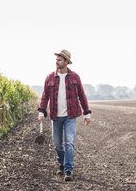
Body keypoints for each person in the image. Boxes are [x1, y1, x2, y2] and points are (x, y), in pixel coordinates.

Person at [38, 49, 91, 182]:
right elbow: (45, 96)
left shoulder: (74, 77)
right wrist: (41, 111)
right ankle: (61, 162)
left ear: (66, 62)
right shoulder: (50, 77)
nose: (57, 62)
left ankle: (68, 169)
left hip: (70, 116)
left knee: (69, 143)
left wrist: (87, 113)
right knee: (57, 144)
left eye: (59, 60)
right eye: (56, 60)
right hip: (55, 116)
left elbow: (81, 95)